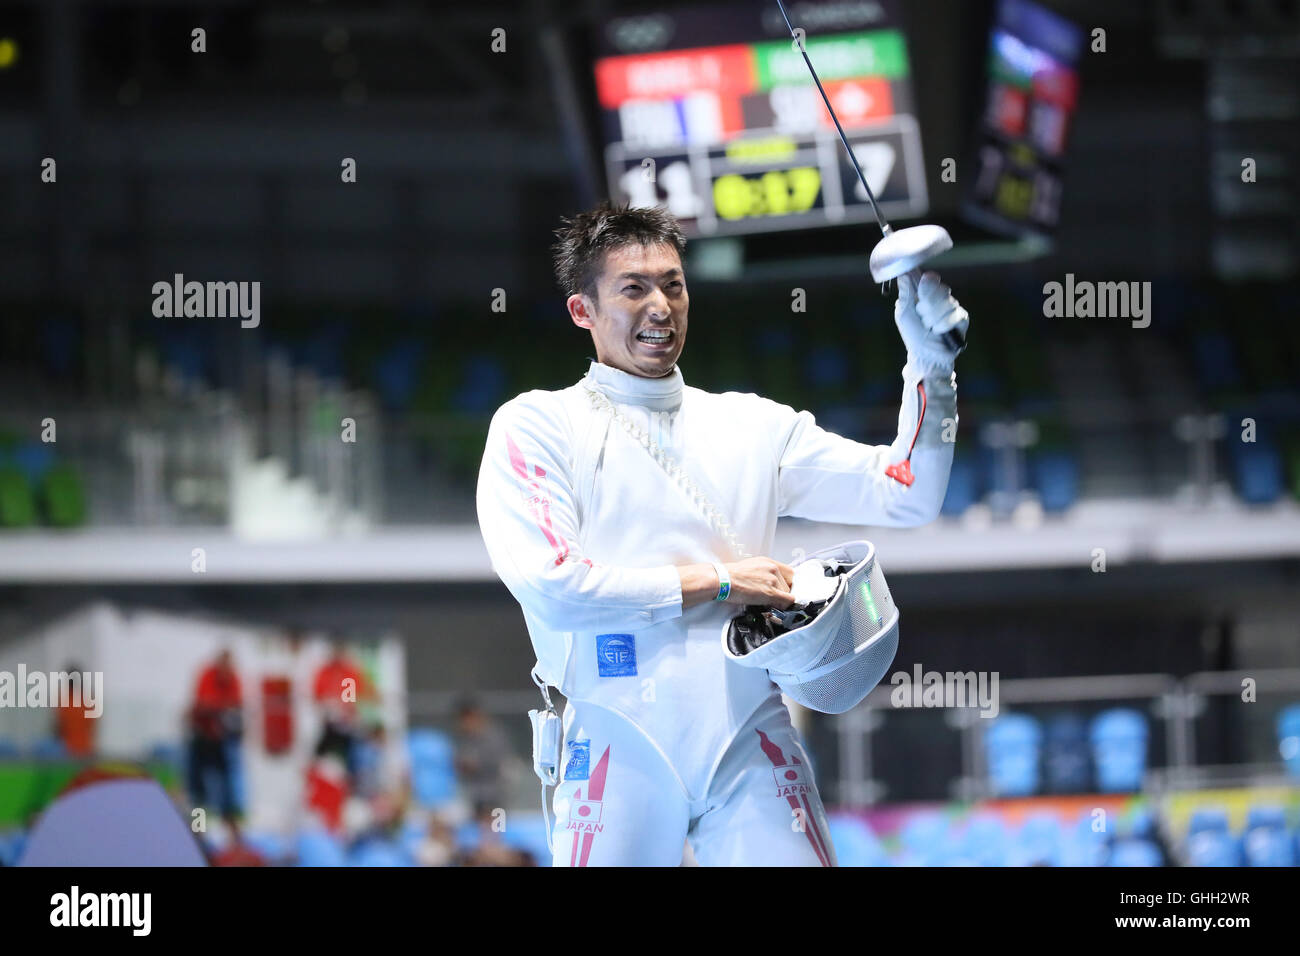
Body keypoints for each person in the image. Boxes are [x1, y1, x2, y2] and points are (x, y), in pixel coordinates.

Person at [476, 201, 969, 866]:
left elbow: (908, 493)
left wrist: (930, 365)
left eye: (673, 285)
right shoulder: (538, 426)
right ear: (582, 310)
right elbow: (555, 589)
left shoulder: (754, 426)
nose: (660, 305)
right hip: (616, 744)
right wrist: (722, 581)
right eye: (633, 288)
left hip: (750, 733)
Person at [187, 649, 244, 820]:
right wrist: (219, 708)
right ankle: (199, 816)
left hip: (222, 739)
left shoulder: (234, 679)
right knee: (197, 778)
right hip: (203, 736)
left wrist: (218, 709)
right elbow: (202, 703)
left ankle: (230, 815)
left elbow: (236, 705)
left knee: (228, 776)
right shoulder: (208, 675)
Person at [311, 641, 372, 784]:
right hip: (329, 724)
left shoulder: (348, 672)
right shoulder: (325, 671)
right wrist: (329, 706)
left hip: (345, 725)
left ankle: (350, 784)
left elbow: (350, 698)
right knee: (319, 757)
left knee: (350, 758)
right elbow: (318, 694)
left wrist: (344, 710)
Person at [452, 698, 510, 813]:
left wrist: (474, 764)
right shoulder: (465, 739)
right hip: (474, 797)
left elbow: (497, 762)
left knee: (496, 827)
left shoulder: (493, 736)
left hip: (494, 796)